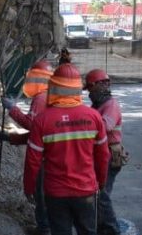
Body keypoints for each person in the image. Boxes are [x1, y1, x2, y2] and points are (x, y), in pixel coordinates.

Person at [24, 64, 110, 235]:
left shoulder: (42, 121)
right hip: (86, 191)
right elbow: (103, 156)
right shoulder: (94, 117)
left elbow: (32, 161)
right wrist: (101, 182)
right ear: (78, 88)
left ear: (53, 86)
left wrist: (29, 188)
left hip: (56, 193)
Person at [1, 59, 54, 234]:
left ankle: (44, 229)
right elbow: (36, 134)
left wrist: (12, 109)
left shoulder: (41, 98)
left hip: (44, 156)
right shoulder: (52, 96)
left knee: (41, 194)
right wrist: (11, 138)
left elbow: (32, 126)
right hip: (52, 152)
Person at [85, 69, 126, 235]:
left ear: (101, 85)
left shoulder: (111, 105)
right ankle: (101, 227)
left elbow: (104, 126)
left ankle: (110, 229)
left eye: (90, 87)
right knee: (96, 194)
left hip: (109, 154)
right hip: (100, 154)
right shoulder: (98, 105)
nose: (89, 92)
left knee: (102, 194)